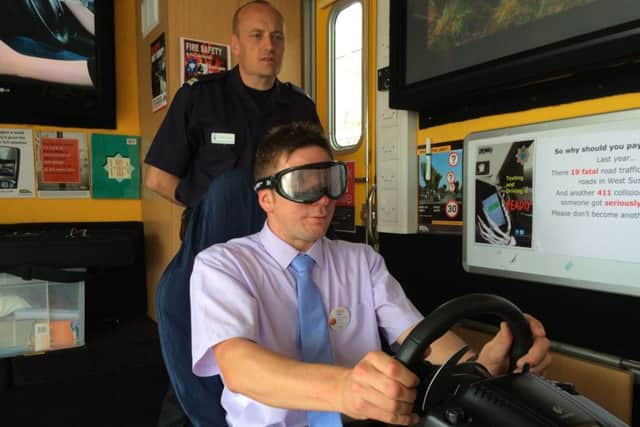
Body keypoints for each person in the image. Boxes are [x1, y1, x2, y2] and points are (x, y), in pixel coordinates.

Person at [190, 122, 552, 426]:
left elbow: (416, 333)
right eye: (303, 185)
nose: (323, 199)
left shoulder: (362, 260)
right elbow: (240, 368)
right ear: (266, 198)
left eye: (331, 182)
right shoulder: (223, 265)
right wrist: (345, 390)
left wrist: (479, 369)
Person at [144, 0, 321, 234]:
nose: (269, 45)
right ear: (235, 44)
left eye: (277, 37)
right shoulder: (199, 97)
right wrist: (207, 208)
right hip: (215, 235)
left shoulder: (300, 106)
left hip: (281, 239)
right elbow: (158, 179)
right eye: (257, 35)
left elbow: (317, 175)